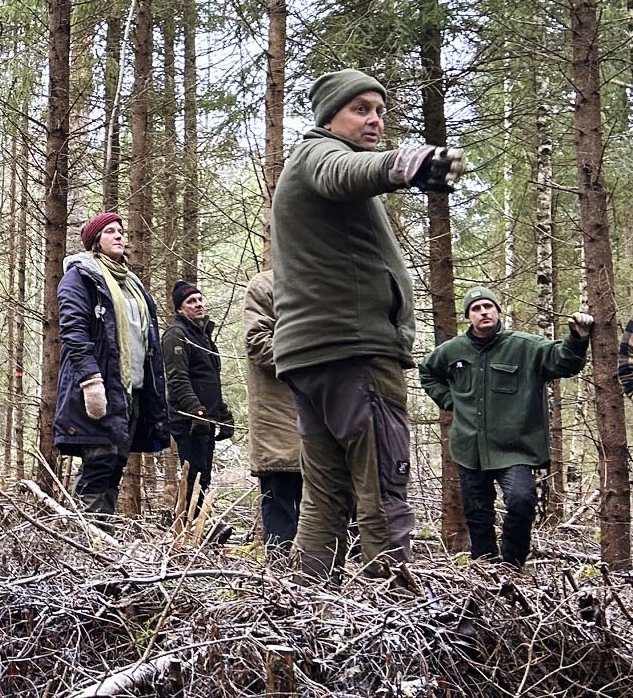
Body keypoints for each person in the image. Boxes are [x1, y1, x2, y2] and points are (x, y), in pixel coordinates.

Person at [271, 68, 466, 578]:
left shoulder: (310, 164)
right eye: (360, 109)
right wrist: (404, 163)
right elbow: (345, 173)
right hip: (352, 352)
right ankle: (392, 619)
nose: (374, 119)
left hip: (312, 357)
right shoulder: (320, 155)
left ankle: (301, 614)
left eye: (380, 110)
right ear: (329, 115)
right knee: (383, 486)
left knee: (325, 497)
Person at [419, 287, 591, 570]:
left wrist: (577, 337)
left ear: (498, 311)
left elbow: (564, 362)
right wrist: (450, 401)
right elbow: (427, 371)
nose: (483, 312)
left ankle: (511, 567)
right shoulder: (452, 351)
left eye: (488, 306)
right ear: (468, 317)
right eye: (475, 309)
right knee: (477, 513)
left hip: (514, 448)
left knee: (522, 500)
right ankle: (485, 570)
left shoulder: (525, 346)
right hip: (469, 448)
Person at [54, 213, 170, 518]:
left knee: (115, 464)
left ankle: (100, 538)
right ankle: (86, 540)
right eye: (109, 231)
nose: (119, 236)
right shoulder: (80, 276)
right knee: (99, 463)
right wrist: (91, 381)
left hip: (128, 391)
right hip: (95, 387)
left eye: (120, 231)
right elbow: (73, 331)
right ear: (95, 241)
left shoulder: (131, 284)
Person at [162, 280, 232, 520]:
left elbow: (210, 380)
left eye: (200, 299)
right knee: (193, 475)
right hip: (189, 420)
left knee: (204, 475)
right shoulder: (176, 335)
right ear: (181, 309)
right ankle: (185, 526)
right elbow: (177, 379)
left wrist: (222, 414)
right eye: (191, 301)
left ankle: (198, 525)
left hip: (206, 419)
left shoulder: (204, 337)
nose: (199, 304)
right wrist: (196, 411)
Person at [242, 269, 302, 550]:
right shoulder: (265, 284)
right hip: (279, 419)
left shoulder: (326, 279)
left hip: (325, 420)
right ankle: (280, 584)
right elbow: (257, 343)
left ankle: (322, 583)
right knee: (282, 503)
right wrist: (312, 355)